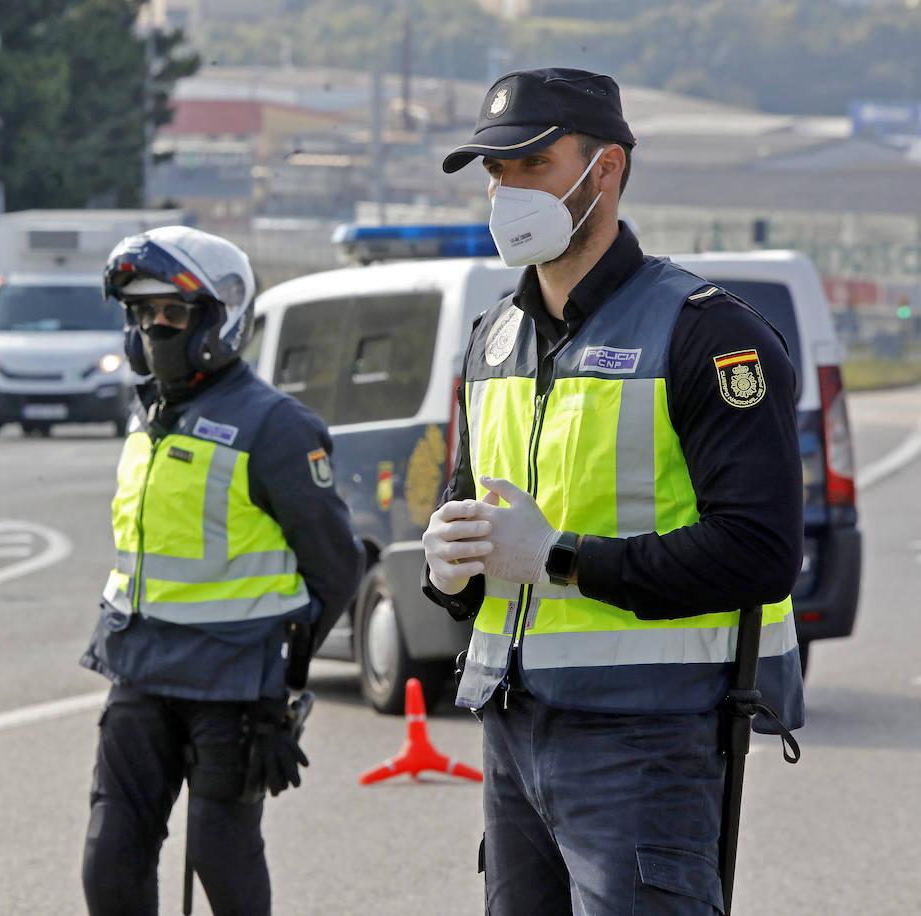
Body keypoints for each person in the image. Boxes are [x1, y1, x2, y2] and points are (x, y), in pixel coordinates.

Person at [422, 68, 805, 915]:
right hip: (512, 730)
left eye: (532, 165)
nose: (506, 191)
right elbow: (482, 529)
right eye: (496, 172)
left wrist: (559, 560)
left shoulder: (710, 334)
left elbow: (761, 553)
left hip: (646, 738)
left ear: (607, 172)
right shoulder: (494, 339)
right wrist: (446, 568)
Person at [79, 226, 363, 916]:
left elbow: (337, 568)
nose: (155, 329)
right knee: (109, 862)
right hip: (139, 671)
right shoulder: (147, 416)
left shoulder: (276, 427)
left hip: (233, 686)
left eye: (171, 314)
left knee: (221, 857)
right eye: (142, 315)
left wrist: (282, 685)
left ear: (220, 318)